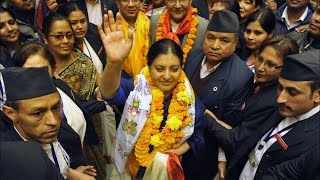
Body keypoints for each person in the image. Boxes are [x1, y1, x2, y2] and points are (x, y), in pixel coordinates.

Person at [98, 11, 205, 179]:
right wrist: (113, 63)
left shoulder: (188, 98)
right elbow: (109, 94)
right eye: (160, 69)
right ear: (149, 66)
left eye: (174, 69)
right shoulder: (137, 88)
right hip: (133, 169)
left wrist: (174, 153)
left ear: (181, 68)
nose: (167, 76)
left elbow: (197, 135)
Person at [206, 49, 320, 179]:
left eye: (292, 92)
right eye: (280, 88)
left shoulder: (315, 141)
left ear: (317, 95)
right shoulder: (280, 108)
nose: (280, 99)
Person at [183, 9, 253, 179]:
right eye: (211, 38)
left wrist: (222, 157)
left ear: (235, 42)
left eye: (224, 41)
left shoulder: (241, 77)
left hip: (206, 148)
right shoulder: (194, 55)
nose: (215, 45)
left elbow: (229, 126)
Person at [0, 67, 96, 179]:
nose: (53, 121)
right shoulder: (9, 163)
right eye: (38, 113)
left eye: (55, 108)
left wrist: (69, 174)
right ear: (11, 113)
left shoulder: (59, 133)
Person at [60, 3, 104, 74]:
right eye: (74, 23)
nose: (80, 26)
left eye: (83, 21)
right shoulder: (63, 47)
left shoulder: (96, 34)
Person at [113, 0, 150, 78]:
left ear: (140, 2)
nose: (131, 5)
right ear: (117, 3)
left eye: (135, 0)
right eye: (126, 0)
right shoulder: (111, 27)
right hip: (120, 82)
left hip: (149, 81)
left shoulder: (151, 24)